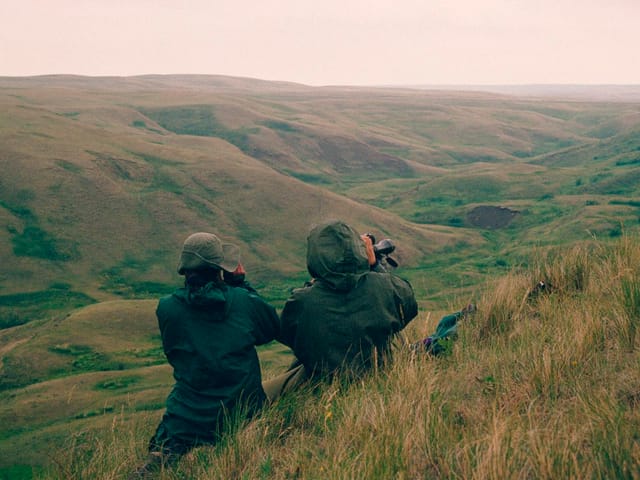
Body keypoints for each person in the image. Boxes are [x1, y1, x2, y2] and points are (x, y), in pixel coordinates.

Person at [131, 232, 280, 478]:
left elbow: (175, 355)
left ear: (184, 269)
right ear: (220, 269)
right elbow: (270, 329)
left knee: (161, 457)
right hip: (240, 412)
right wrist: (241, 284)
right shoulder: (243, 301)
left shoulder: (167, 308)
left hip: (185, 417)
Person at [263, 220, 418, 400]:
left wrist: (316, 284)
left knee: (260, 393)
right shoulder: (386, 287)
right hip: (378, 376)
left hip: (320, 386)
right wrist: (375, 266)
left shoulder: (302, 301)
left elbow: (290, 337)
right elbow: (408, 306)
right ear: (357, 250)